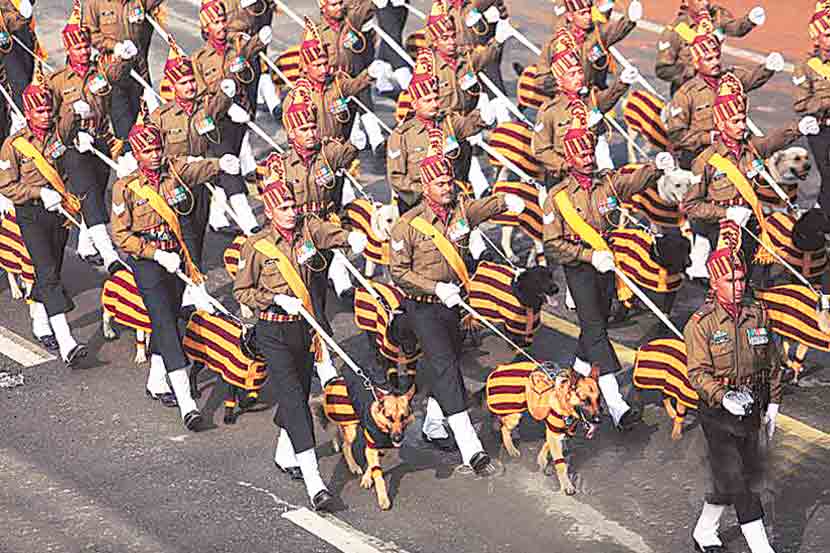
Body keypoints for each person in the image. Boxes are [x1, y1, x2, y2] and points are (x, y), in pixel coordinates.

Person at [233, 155, 367, 511]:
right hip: (273, 331)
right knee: (295, 400)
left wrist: (353, 238)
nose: (292, 212)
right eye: (285, 207)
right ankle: (315, 483)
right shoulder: (257, 246)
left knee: (301, 389)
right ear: (270, 212)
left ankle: (284, 452)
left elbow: (330, 234)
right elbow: (241, 291)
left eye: (293, 205)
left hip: (304, 330)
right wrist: (273, 298)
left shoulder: (308, 229)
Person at [389, 126, 525, 472]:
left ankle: (435, 423)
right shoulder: (409, 225)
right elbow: (399, 272)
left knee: (447, 362)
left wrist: (506, 202)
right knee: (447, 367)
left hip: (456, 304)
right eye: (440, 184)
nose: (447, 188)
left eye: (449, 182)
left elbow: (484, 207)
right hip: (424, 305)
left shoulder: (462, 211)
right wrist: (434, 288)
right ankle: (471, 447)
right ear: (425, 187)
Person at [542, 100, 677, 430]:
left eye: (590, 153)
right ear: (569, 158)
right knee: (596, 329)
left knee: (594, 326)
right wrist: (589, 256)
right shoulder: (558, 197)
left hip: (608, 265)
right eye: (581, 154)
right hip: (581, 266)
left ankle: (574, 377)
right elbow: (552, 243)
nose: (587, 158)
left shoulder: (607, 182)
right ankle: (616, 405)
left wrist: (656, 168)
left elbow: (633, 182)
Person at [110, 122, 241, 429]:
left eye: (158, 149)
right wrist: (154, 254)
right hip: (148, 261)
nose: (155, 156)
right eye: (147, 151)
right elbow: (121, 236)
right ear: (136, 154)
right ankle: (187, 403)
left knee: (169, 316)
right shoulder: (126, 188)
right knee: (166, 323)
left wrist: (221, 163)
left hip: (177, 256)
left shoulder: (175, 171)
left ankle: (156, 380)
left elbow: (199, 170)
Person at [684, 221, 782, 553]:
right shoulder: (701, 323)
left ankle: (704, 531)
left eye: (741, 279)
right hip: (718, 412)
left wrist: (773, 404)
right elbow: (696, 373)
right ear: (714, 283)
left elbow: (772, 361)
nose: (738, 286)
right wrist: (723, 396)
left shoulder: (758, 314)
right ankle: (762, 549)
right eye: (730, 280)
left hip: (752, 404)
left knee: (736, 477)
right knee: (741, 482)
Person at [683, 72, 817, 288]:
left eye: (743, 120)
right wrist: (726, 213)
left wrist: (797, 128)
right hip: (722, 228)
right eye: (736, 121)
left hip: (752, 222)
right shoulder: (705, 161)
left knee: (755, 280)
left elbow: (773, 141)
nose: (742, 126)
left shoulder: (751, 148)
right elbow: (690, 205)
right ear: (722, 123)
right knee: (732, 283)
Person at [0, 63, 88, 367]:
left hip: (60, 212)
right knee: (48, 274)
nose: (46, 116)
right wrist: (38, 193)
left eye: (48, 110)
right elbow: (7, 185)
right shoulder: (14, 146)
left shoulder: (57, 133)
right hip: (32, 214)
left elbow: (76, 128)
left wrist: (83, 127)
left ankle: (39, 318)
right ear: (27, 114)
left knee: (52, 269)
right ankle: (67, 342)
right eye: (39, 112)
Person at [48, 0, 133, 272]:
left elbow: (118, 77)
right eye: (78, 47)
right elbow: (51, 121)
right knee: (92, 199)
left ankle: (86, 245)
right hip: (74, 147)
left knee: (95, 191)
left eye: (86, 46)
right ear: (68, 50)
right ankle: (110, 256)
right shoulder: (59, 81)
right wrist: (72, 119)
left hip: (99, 140)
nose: (83, 51)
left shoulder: (100, 72)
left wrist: (125, 58)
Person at [151, 37, 248, 269]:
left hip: (201, 182)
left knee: (198, 230)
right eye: (183, 82)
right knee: (184, 234)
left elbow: (219, 105)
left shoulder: (204, 109)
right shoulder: (160, 117)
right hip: (175, 183)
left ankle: (190, 273)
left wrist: (227, 92)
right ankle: (194, 282)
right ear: (173, 87)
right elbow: (153, 153)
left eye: (191, 81)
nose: (190, 86)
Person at [192, 0, 267, 236]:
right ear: (206, 29)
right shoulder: (199, 59)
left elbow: (249, 60)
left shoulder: (236, 47)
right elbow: (199, 94)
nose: (222, 26)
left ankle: (216, 215)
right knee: (231, 167)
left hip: (239, 116)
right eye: (215, 22)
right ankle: (247, 221)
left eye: (223, 20)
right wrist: (223, 103)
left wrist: (261, 40)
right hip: (217, 119)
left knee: (228, 163)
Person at [387, 48, 493, 213]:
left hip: (450, 203)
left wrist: (484, 117)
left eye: (436, 98)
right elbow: (397, 179)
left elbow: (468, 125)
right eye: (428, 100)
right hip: (417, 208)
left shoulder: (448, 122)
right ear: (415, 104)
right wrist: (430, 192)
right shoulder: (402, 135)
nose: (435, 104)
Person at [532, 27, 634, 187]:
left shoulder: (589, 98)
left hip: (590, 175)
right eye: (571, 74)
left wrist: (622, 83)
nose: (579, 78)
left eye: (580, 72)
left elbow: (607, 98)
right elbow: (541, 150)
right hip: (561, 181)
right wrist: (568, 165)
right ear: (559, 81)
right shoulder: (549, 111)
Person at [666, 32, 782, 169]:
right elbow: (677, 135)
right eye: (709, 59)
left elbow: (752, 78)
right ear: (696, 63)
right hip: (700, 159)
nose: (715, 63)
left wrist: (768, 68)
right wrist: (707, 138)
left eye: (717, 57)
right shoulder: (686, 94)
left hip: (733, 154)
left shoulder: (731, 79)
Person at [82, 0, 165, 139]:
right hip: (114, 77)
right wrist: (113, 46)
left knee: (147, 129)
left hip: (140, 74)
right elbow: (89, 33)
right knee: (125, 131)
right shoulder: (94, 3)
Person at [285, 17, 373, 143]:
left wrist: (370, 73)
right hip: (317, 149)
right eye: (334, 4)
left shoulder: (349, 27)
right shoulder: (299, 96)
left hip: (346, 78)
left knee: (348, 117)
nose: (339, 7)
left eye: (341, 3)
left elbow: (359, 53)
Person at [656, 0, 765, 95]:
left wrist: (749, 21)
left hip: (712, 86)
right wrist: (692, 70)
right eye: (699, 0)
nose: (705, 3)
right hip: (687, 91)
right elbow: (663, 70)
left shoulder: (716, 15)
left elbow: (733, 28)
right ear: (685, 2)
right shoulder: (676, 30)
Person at [536, 0, 641, 95]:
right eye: (582, 13)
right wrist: (564, 87)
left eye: (589, 12)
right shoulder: (555, 43)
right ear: (570, 16)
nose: (588, 17)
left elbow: (614, 31)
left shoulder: (597, 34)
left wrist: (630, 20)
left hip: (592, 97)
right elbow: (542, 78)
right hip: (564, 101)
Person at [793, 4, 830, 216]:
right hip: (821, 130)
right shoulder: (806, 67)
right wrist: (824, 103)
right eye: (828, 35)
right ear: (817, 38)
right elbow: (800, 104)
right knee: (827, 175)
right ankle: (819, 216)